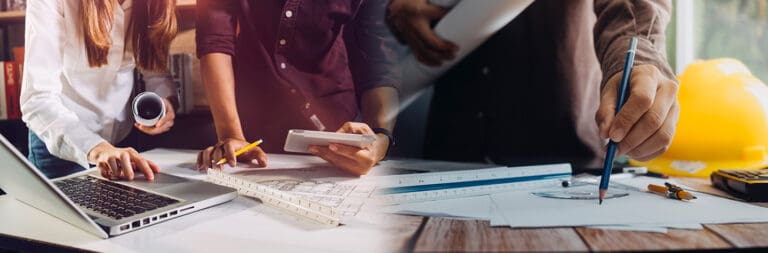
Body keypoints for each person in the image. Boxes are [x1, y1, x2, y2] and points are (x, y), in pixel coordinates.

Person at [386, 0, 679, 168]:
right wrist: (397, 10)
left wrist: (638, 56)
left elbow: (630, 7)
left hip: (562, 154)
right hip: (450, 150)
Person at [195, 0, 400, 175]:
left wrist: (379, 139)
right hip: (251, 130)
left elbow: (378, 60)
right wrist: (231, 134)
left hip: (340, 130)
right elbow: (215, 40)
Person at [21, 0, 178, 180]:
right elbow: (37, 99)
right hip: (60, 147)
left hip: (124, 144)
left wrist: (166, 103)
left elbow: (156, 73)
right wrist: (97, 148)